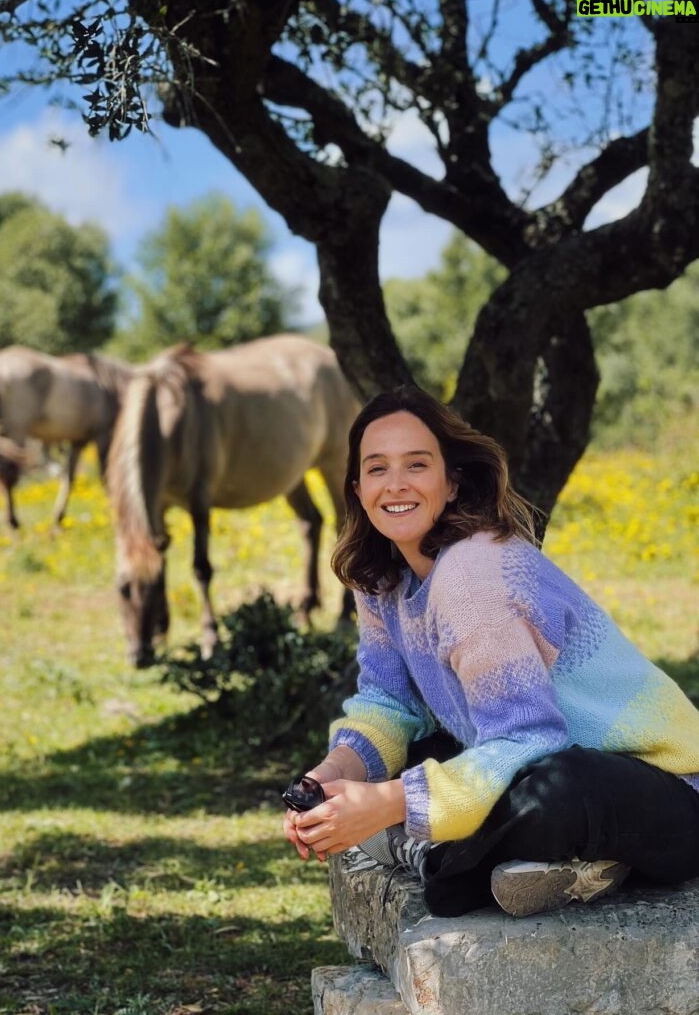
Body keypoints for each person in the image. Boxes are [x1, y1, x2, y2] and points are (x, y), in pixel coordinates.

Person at [282, 385, 699, 918]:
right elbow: (389, 704)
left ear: (452, 482)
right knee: (422, 758)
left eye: (417, 464)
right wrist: (330, 779)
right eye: (378, 468)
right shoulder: (380, 579)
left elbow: (529, 736)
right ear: (358, 487)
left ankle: (437, 856)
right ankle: (520, 862)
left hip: (660, 789)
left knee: (554, 794)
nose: (396, 484)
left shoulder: (473, 573)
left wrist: (388, 802)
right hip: (536, 754)